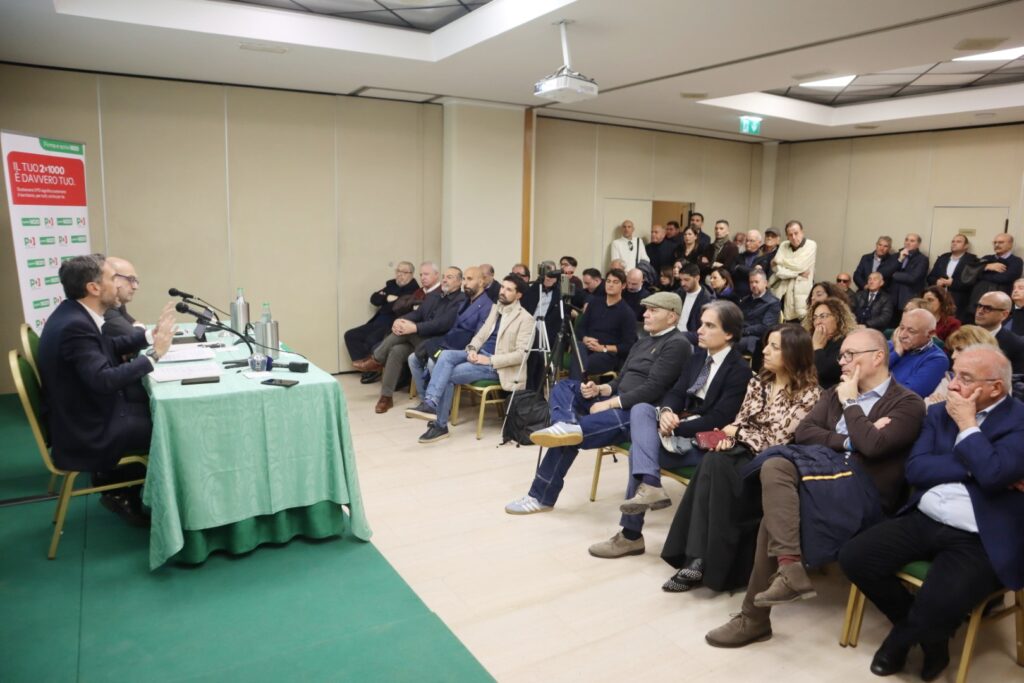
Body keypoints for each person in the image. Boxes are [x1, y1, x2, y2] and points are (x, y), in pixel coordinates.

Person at [706, 328, 926, 648]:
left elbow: (874, 447)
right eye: (842, 355)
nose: (842, 361)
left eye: (850, 355)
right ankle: (788, 570)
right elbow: (806, 432)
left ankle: (757, 615)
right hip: (824, 475)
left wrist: (851, 405)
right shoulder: (836, 391)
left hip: (862, 493)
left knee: (775, 501)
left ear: (878, 357)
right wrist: (850, 440)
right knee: (775, 475)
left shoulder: (907, 403)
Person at [839, 346, 1024, 681]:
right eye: (954, 374)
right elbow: (917, 469)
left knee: (939, 599)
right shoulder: (939, 413)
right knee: (855, 557)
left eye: (965, 378)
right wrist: (978, 465)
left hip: (981, 533)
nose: (952, 385)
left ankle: (899, 642)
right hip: (925, 517)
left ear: (996, 388)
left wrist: (968, 425)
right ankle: (931, 638)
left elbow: (993, 474)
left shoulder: (1019, 421)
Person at [660, 325, 822, 592]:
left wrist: (736, 434)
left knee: (715, 465)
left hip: (772, 464)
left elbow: (778, 439)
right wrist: (730, 438)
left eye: (774, 347)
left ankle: (696, 558)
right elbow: (739, 422)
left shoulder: (810, 394)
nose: (765, 351)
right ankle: (700, 559)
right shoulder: (759, 382)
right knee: (714, 459)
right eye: (767, 344)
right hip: (742, 453)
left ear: (794, 354)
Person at [588, 301, 752, 558]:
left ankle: (631, 535)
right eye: (701, 324)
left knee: (640, 453)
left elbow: (719, 418)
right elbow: (675, 393)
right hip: (679, 425)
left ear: (729, 333)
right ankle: (651, 485)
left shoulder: (739, 370)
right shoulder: (698, 358)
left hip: (704, 441)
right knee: (642, 409)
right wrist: (666, 412)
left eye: (709, 326)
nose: (700, 330)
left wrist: (675, 428)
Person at [505, 293, 690, 514]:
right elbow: (621, 380)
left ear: (672, 317)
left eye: (653, 310)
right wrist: (601, 389)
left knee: (567, 439)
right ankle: (566, 423)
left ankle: (540, 496)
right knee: (565, 387)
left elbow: (653, 388)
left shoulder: (677, 344)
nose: (645, 315)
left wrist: (610, 403)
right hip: (618, 400)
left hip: (639, 414)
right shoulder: (643, 342)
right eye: (646, 309)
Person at [37, 254, 176, 526]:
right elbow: (104, 380)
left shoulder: (73, 313)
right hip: (88, 430)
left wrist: (148, 336)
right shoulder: (75, 325)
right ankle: (141, 499)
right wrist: (154, 355)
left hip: (84, 413)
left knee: (156, 408)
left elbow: (106, 348)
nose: (120, 285)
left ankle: (129, 488)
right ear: (94, 287)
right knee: (171, 424)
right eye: (113, 278)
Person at [405, 274, 534, 443]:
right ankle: (431, 402)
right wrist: (472, 349)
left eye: (509, 290)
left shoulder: (526, 319)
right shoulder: (496, 309)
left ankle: (440, 424)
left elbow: (522, 355)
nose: (502, 291)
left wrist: (490, 360)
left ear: (518, 295)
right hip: (479, 355)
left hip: (497, 366)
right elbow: (480, 336)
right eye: (502, 287)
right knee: (446, 355)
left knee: (447, 374)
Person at [355, 267, 466, 414]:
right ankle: (386, 397)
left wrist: (414, 328)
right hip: (420, 340)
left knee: (405, 333)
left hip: (437, 343)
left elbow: (442, 324)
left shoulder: (461, 300)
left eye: (450, 277)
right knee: (396, 350)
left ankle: (376, 359)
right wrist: (401, 320)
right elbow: (418, 313)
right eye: (444, 276)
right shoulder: (435, 296)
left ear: (459, 281)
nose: (445, 280)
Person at [409, 266, 493, 400]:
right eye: (464, 279)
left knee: (432, 362)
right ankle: (426, 398)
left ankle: (438, 403)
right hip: (450, 341)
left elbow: (479, 337)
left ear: (481, 282)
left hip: (467, 348)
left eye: (470, 279)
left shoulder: (487, 305)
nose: (465, 283)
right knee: (413, 358)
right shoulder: (466, 300)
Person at [344, 262, 419, 373]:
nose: (399, 274)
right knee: (350, 335)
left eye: (404, 272)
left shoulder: (414, 290)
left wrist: (387, 299)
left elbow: (396, 308)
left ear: (411, 274)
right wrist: (387, 298)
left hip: (391, 325)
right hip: (377, 321)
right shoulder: (391, 285)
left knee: (371, 340)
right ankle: (366, 367)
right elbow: (374, 299)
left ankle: (372, 367)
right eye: (398, 271)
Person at [570, 269, 637, 379]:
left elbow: (628, 345)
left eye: (615, 282)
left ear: (623, 286)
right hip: (587, 346)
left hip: (607, 354)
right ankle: (576, 386)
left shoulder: (627, 313)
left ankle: (572, 386)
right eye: (608, 281)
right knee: (579, 348)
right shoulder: (594, 303)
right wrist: (585, 338)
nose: (610, 285)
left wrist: (603, 348)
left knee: (581, 363)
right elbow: (580, 328)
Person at [924, 325, 998, 406]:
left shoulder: (994, 384)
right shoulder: (950, 378)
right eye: (953, 350)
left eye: (959, 350)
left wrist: (944, 405)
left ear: (979, 352)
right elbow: (928, 405)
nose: (953, 356)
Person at [889, 309, 949, 397]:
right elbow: (868, 373)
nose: (902, 335)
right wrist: (896, 354)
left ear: (930, 334)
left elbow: (907, 395)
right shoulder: (892, 345)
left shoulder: (937, 359)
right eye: (901, 328)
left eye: (911, 331)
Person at [769, 220, 816, 323]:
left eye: (796, 233)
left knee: (794, 326)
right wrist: (797, 274)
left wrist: (780, 261)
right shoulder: (784, 245)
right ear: (787, 236)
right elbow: (777, 269)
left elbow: (799, 266)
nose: (794, 237)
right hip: (780, 292)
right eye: (790, 235)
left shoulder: (811, 245)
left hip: (799, 293)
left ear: (802, 232)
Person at [804, 296, 856, 389]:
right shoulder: (810, 340)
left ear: (837, 318)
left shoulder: (847, 342)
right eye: (815, 318)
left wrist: (817, 347)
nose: (818, 322)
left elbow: (824, 372)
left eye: (823, 316)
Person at [968, 234, 1023, 317]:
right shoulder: (987, 258)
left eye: (1001, 242)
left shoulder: (1016, 261)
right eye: (995, 242)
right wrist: (986, 267)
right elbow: (971, 274)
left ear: (1010, 244)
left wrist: (983, 274)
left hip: (999, 304)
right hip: (978, 301)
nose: (997, 245)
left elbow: (1005, 278)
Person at [927, 233, 977, 323]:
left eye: (958, 242)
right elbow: (930, 277)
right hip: (939, 299)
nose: (954, 243)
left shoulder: (972, 260)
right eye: (953, 241)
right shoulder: (943, 258)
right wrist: (936, 281)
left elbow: (971, 283)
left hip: (959, 302)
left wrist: (952, 284)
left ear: (966, 246)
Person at [973, 290, 1024, 373]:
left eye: (988, 308)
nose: (980, 311)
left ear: (1004, 314)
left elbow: (1017, 377)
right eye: (979, 306)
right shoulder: (962, 335)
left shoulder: (1016, 344)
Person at [737, 270, 781, 357]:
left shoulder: (773, 302)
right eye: (751, 282)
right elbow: (738, 319)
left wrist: (744, 331)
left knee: (728, 345)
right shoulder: (745, 300)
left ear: (765, 283)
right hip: (741, 334)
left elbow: (765, 327)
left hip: (757, 339)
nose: (753, 285)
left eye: (756, 282)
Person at [101, 256, 144, 338]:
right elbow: (135, 336)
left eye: (135, 281)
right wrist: (140, 328)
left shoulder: (118, 303)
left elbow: (135, 326)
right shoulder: (104, 306)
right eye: (131, 279)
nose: (135, 287)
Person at [890, 233, 929, 316]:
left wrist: (894, 275)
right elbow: (886, 273)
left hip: (909, 298)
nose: (908, 243)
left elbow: (913, 278)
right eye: (906, 240)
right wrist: (899, 259)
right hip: (893, 298)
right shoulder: (895, 256)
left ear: (918, 244)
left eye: (912, 241)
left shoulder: (922, 259)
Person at [676, 263, 712, 344]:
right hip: (674, 334)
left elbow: (705, 331)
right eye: (681, 280)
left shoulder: (707, 300)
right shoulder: (680, 292)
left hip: (691, 341)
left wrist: (680, 335)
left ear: (697, 278)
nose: (682, 283)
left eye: (686, 280)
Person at [731, 229, 773, 299]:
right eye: (746, 240)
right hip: (737, 294)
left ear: (759, 243)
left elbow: (759, 275)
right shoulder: (738, 256)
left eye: (751, 241)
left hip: (755, 296)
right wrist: (751, 270)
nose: (747, 243)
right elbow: (732, 272)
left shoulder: (764, 258)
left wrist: (739, 267)